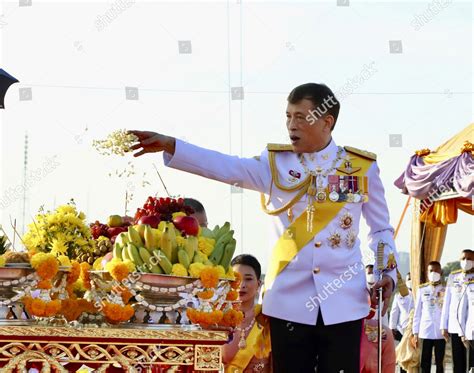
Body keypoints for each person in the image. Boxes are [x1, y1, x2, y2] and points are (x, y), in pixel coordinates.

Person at [130, 82, 398, 372]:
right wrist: (173, 145)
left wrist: (387, 272)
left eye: (300, 117)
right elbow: (227, 166)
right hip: (289, 304)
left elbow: (381, 229)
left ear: (326, 122)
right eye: (288, 116)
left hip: (344, 303)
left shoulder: (361, 167)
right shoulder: (275, 165)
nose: (291, 125)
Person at [223, 254, 271, 372]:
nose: (241, 285)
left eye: (248, 279)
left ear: (259, 284)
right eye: (236, 279)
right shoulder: (217, 320)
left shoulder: (268, 320)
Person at [440, 249, 474, 373]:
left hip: (471, 327)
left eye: (470, 259)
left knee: (471, 364)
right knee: (458, 362)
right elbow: (446, 302)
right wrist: (443, 325)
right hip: (455, 325)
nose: (466, 261)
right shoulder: (454, 277)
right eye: (464, 258)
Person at [412, 261, 446, 373]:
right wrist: (415, 333)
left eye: (436, 271)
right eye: (431, 271)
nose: (434, 273)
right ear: (427, 273)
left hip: (440, 332)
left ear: (441, 272)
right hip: (425, 331)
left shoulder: (445, 290)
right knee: (424, 362)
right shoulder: (422, 290)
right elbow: (417, 313)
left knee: (440, 363)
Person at [390, 272, 414, 373]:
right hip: (402, 330)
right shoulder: (399, 295)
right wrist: (392, 327)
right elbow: (394, 312)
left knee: (414, 356)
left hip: (416, 330)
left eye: (412, 279)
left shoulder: (420, 292)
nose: (410, 281)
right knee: (403, 355)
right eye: (408, 279)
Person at [458, 268, 474, 370]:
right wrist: (462, 333)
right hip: (472, 333)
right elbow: (461, 311)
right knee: (471, 367)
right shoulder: (469, 285)